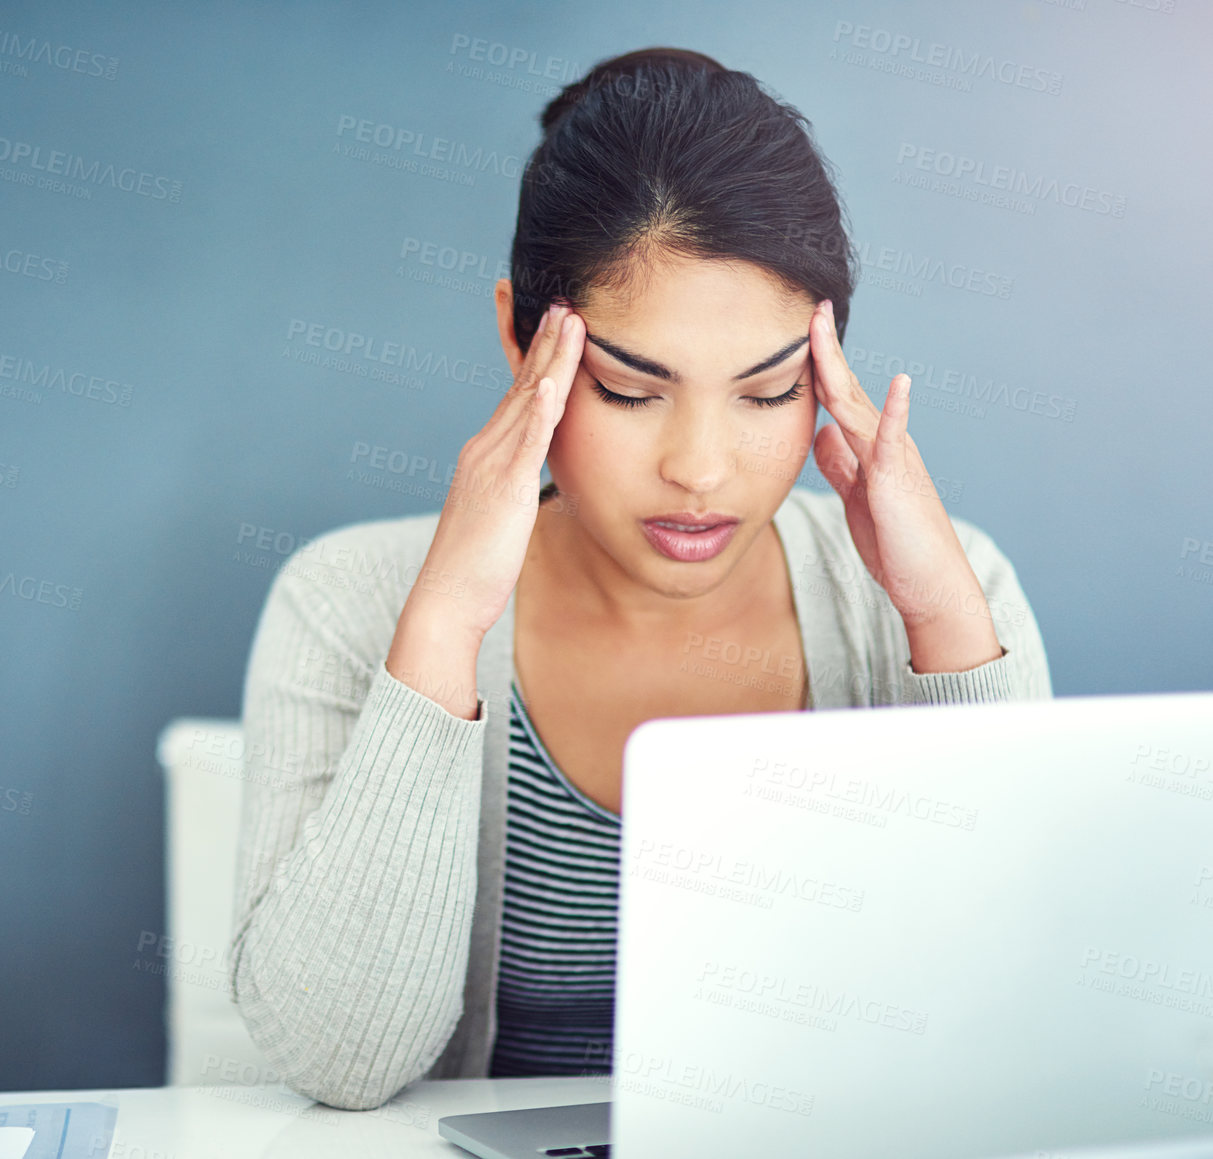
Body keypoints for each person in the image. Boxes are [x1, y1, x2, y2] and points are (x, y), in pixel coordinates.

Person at [227, 46, 1051, 1112]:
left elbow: (1018, 1025)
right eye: (626, 389)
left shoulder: (951, 588)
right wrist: (442, 626)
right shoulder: (344, 600)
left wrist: (941, 624)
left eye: (769, 393)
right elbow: (342, 1061)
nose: (701, 470)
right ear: (520, 342)